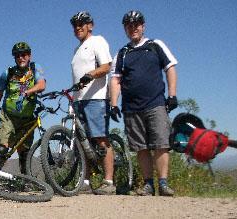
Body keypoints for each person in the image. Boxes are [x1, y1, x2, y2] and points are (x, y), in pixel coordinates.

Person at [109, 10, 178, 196]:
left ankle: (163, 183)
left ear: (143, 26)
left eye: (136, 24)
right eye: (129, 25)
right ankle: (149, 184)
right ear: (125, 28)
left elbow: (170, 68)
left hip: (155, 103)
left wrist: (172, 95)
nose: (133, 28)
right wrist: (113, 103)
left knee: (161, 143)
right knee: (141, 147)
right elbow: (115, 80)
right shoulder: (122, 53)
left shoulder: (155, 45)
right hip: (131, 107)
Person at [69, 11, 115, 195]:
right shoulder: (76, 50)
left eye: (82, 23)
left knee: (100, 138)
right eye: (75, 25)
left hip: (96, 99)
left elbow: (106, 66)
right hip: (80, 100)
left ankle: (109, 181)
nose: (78, 27)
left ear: (90, 25)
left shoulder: (97, 41)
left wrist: (90, 75)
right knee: (83, 142)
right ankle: (86, 182)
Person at [0, 42, 46, 174]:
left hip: (27, 118)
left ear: (29, 56)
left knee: (24, 153)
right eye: (17, 55)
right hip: (9, 116)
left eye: (24, 54)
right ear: (14, 58)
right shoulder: (7, 73)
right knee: (2, 148)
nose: (21, 57)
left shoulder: (35, 68)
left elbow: (42, 85)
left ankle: (25, 181)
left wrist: (29, 91)